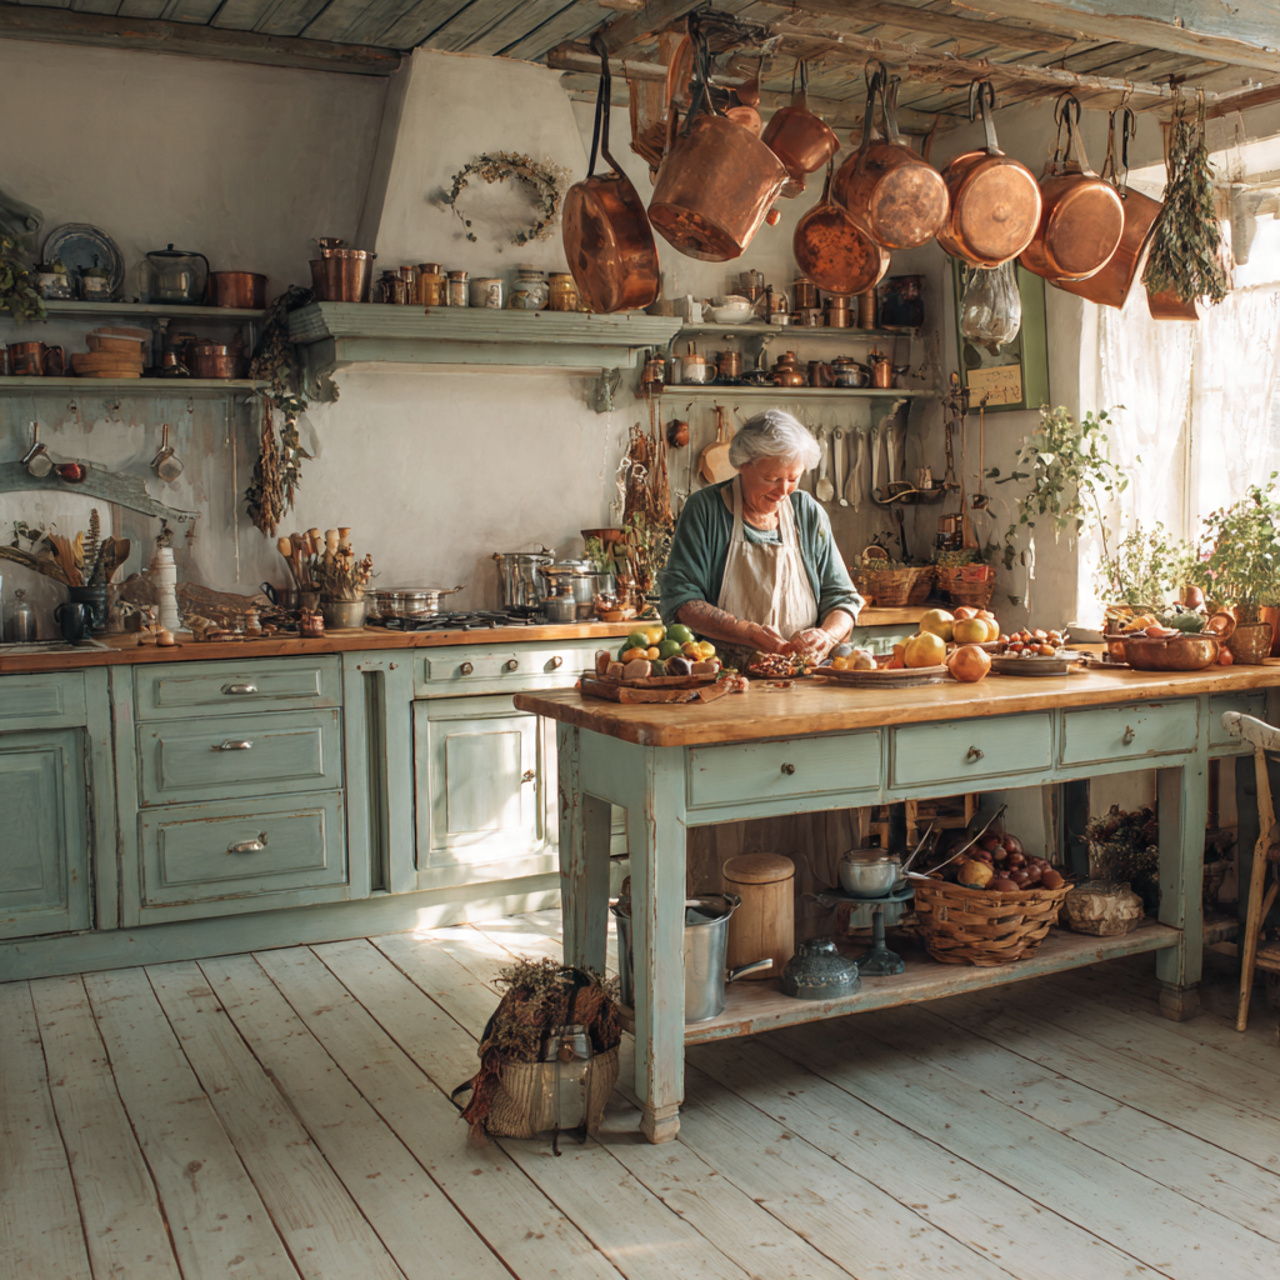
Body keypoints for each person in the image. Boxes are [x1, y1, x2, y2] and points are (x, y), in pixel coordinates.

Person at [659, 408, 863, 667]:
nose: (782, 491)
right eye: (772, 478)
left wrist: (827, 635)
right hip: (724, 676)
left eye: (793, 478)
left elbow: (843, 599)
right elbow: (681, 600)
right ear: (744, 464)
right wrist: (746, 632)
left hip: (805, 678)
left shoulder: (807, 512)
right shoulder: (705, 509)